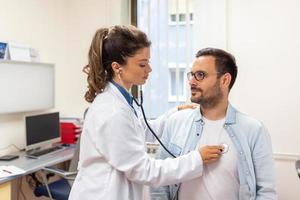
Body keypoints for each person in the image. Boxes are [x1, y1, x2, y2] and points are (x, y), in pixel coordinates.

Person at [68, 26, 224, 200]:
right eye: (142, 64)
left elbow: (138, 131)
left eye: (148, 62)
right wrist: (196, 159)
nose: (149, 69)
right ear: (117, 67)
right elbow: (144, 171)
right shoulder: (112, 112)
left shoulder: (121, 101)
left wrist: (173, 113)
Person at [150, 48, 277, 200]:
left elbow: (266, 192)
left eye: (200, 75)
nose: (192, 82)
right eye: (192, 75)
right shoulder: (175, 123)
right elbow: (159, 185)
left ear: (225, 80)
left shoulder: (254, 130)